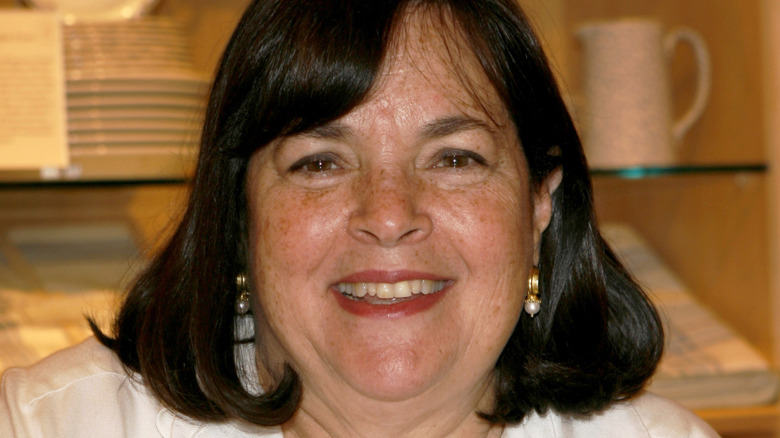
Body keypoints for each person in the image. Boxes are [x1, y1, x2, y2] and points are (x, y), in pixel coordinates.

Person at [1, 0, 719, 436]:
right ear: (238, 213)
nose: (388, 215)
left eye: (455, 159)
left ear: (540, 204)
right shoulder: (48, 424)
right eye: (319, 162)